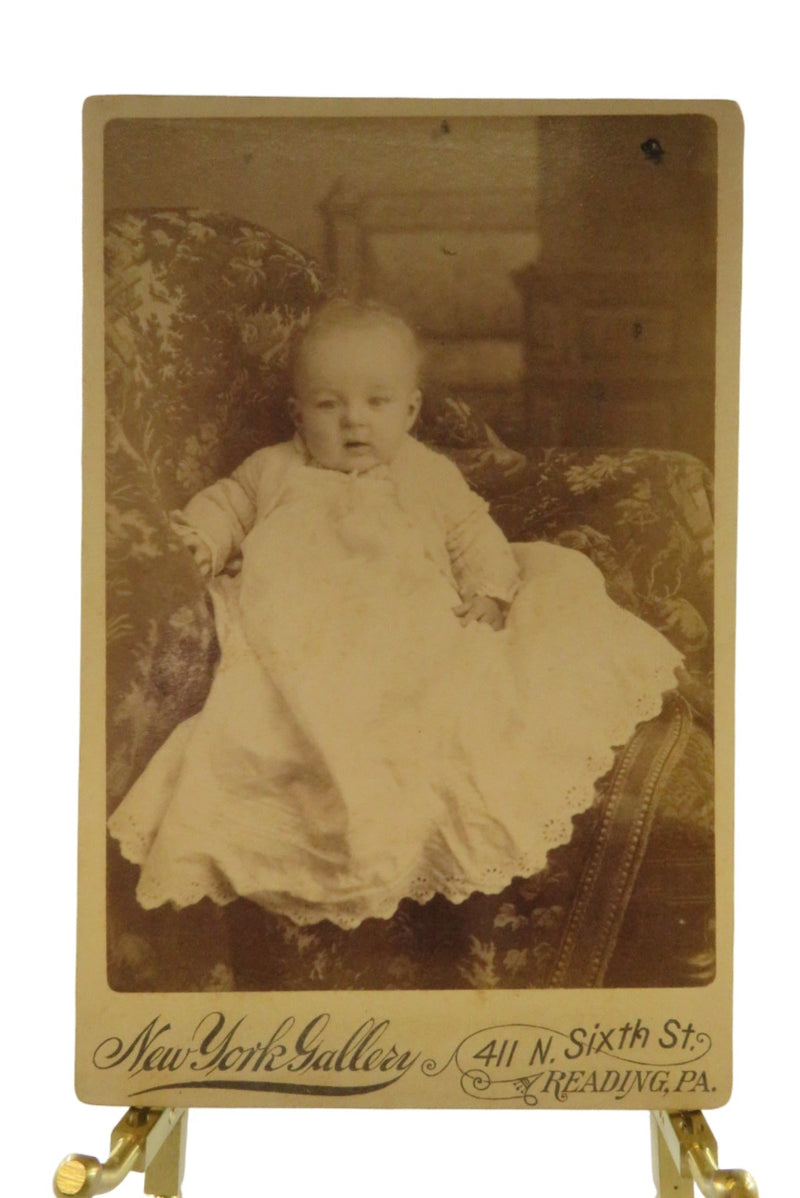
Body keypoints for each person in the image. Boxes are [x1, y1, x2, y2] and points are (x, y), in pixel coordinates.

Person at [109, 299, 682, 930]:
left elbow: (473, 534)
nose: (354, 421)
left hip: (406, 625)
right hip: (302, 635)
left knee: (437, 699)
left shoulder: (426, 474)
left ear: (410, 410)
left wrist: (488, 592)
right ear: (298, 414)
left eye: (377, 403)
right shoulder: (273, 469)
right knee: (274, 721)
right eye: (329, 405)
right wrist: (204, 538)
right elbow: (228, 504)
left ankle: (400, 802)